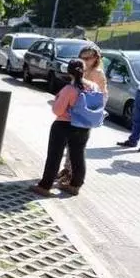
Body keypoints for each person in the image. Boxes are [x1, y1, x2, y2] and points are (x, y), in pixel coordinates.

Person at [31, 60, 98, 197]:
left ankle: (45, 186)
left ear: (68, 72)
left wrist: (56, 101)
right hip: (84, 126)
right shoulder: (93, 87)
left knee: (54, 156)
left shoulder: (69, 89)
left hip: (64, 125)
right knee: (78, 156)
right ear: (84, 70)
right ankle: (75, 186)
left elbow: (58, 110)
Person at [58, 45, 107, 184]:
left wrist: (95, 113)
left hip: (85, 115)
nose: (84, 60)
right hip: (74, 113)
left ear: (96, 58)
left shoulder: (97, 73)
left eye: (88, 58)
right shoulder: (81, 69)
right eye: (82, 57)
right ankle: (67, 169)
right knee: (70, 145)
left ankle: (72, 175)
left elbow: (101, 95)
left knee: (77, 147)